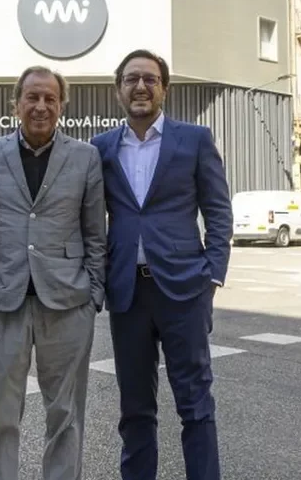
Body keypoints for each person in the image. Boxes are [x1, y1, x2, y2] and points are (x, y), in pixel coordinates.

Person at [90, 49, 233, 480]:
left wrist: (212, 274)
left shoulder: (194, 139)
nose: (141, 87)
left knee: (195, 403)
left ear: (164, 89)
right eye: (132, 79)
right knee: (134, 408)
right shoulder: (101, 149)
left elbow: (218, 211)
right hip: (127, 293)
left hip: (184, 291)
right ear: (118, 91)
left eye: (150, 79)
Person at [0, 66, 106, 480]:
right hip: (2, 300)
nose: (41, 106)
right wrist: (2, 239)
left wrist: (94, 293)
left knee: (65, 414)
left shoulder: (85, 157)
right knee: (0, 414)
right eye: (32, 97)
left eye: (50, 99)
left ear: (62, 105)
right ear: (16, 104)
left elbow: (97, 232)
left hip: (67, 302)